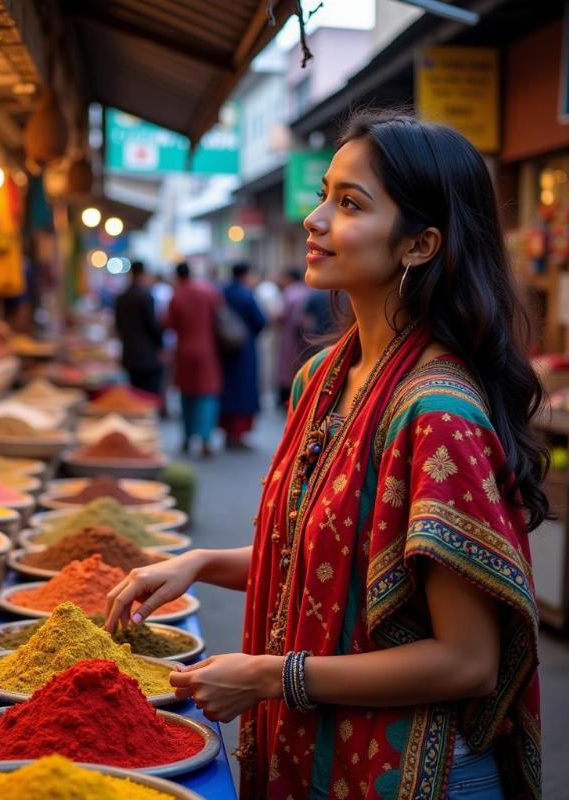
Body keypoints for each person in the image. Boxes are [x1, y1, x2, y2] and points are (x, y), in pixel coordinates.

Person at [106, 110, 543, 799]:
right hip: (317, 757)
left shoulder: (437, 414)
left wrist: (270, 675)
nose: (313, 220)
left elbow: (468, 662)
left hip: (413, 775)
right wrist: (199, 564)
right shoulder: (326, 376)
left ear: (419, 244)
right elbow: (333, 566)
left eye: (349, 204)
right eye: (324, 195)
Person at [165, 261, 222, 456]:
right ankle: (206, 439)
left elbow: (168, 324)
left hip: (183, 351)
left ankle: (188, 437)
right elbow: (219, 316)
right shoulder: (207, 292)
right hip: (207, 350)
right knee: (207, 395)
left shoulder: (177, 295)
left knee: (186, 395)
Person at [219, 263, 266, 448]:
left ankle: (228, 432)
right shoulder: (247, 295)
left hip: (224, 350)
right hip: (245, 351)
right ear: (246, 275)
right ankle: (239, 434)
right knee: (244, 391)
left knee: (227, 389)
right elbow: (260, 321)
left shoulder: (223, 292)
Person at [276, 267, 331, 406]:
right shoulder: (316, 292)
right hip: (328, 338)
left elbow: (303, 321)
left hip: (307, 339)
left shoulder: (295, 293)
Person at [113, 260, 163, 396]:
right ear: (143, 274)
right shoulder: (146, 297)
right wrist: (160, 347)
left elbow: (118, 326)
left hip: (129, 354)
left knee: (135, 396)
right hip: (147, 356)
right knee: (149, 397)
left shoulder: (121, 298)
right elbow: (153, 326)